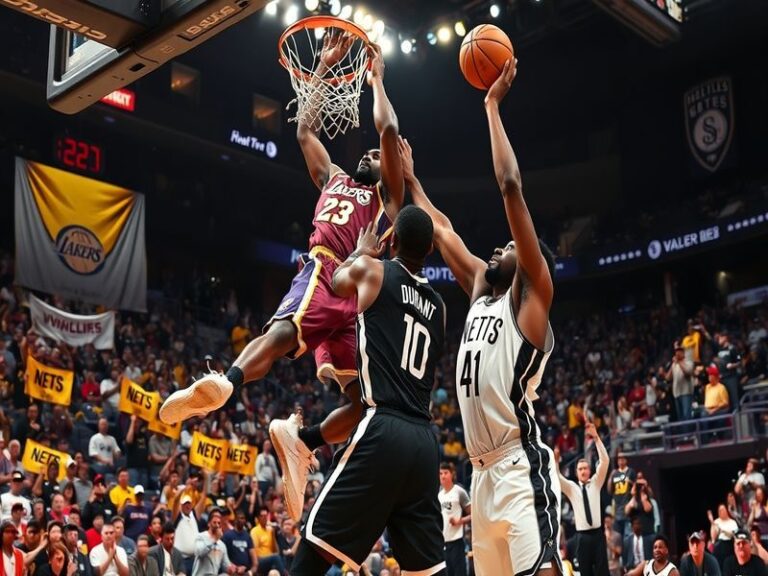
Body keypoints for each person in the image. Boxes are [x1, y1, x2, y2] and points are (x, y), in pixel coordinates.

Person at [159, 38, 405, 524]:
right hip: (327, 266)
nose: (373, 156)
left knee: (369, 403)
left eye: (380, 156)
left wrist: (377, 80)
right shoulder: (333, 176)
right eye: (372, 153)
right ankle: (224, 384)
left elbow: (390, 131)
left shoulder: (388, 199)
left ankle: (302, 440)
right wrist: (322, 66)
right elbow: (305, 129)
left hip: (358, 296)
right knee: (283, 334)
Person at [400, 58, 560, 576]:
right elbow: (441, 229)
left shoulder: (533, 299)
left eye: (510, 245)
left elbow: (510, 187)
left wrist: (491, 106)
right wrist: (410, 179)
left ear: (531, 263)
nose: (498, 246)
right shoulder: (479, 290)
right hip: (482, 478)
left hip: (519, 468)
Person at [290, 205, 446, 575]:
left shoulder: (374, 270)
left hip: (383, 426)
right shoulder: (439, 307)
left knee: (316, 545)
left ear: (393, 242)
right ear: (429, 251)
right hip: (424, 441)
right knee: (425, 570)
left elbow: (337, 282)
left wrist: (361, 250)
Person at [558, 422, 610, 576]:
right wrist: (555, 462)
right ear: (576, 472)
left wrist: (596, 438)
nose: (583, 471)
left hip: (598, 535)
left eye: (586, 468)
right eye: (580, 469)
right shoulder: (572, 488)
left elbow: (605, 461)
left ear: (590, 470)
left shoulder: (596, 482)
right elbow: (556, 478)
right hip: (581, 537)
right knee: (585, 573)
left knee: (602, 573)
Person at [437, 462, 470, 576]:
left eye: (446, 473)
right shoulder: (439, 495)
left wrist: (459, 521)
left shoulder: (459, 491)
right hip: (443, 543)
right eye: (440, 473)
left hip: (457, 541)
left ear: (452, 474)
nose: (443, 476)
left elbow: (473, 514)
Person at [191, 509, 235, 576]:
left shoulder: (221, 545)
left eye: (219, 523)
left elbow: (226, 564)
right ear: (208, 524)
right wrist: (214, 539)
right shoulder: (200, 536)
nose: (217, 525)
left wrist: (231, 568)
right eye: (214, 522)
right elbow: (199, 552)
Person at [249, 507, 284, 576]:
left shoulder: (270, 530)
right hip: (260, 560)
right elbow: (254, 552)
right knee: (276, 558)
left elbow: (277, 551)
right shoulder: (254, 531)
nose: (265, 518)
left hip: (271, 559)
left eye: (266, 515)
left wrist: (273, 535)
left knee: (280, 557)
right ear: (258, 518)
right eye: (262, 516)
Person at [608, 453, 636, 538]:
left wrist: (629, 481)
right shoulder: (615, 473)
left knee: (628, 537)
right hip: (617, 510)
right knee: (618, 538)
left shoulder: (630, 471)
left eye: (622, 459)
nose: (620, 461)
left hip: (627, 509)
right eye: (619, 459)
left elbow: (636, 487)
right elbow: (609, 490)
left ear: (626, 460)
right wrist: (611, 476)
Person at [221, 512, 256, 576]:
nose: (243, 520)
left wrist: (249, 573)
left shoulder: (247, 536)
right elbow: (223, 556)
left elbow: (255, 561)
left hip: (246, 571)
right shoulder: (228, 535)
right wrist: (235, 568)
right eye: (241, 518)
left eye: (244, 518)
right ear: (236, 520)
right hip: (232, 571)